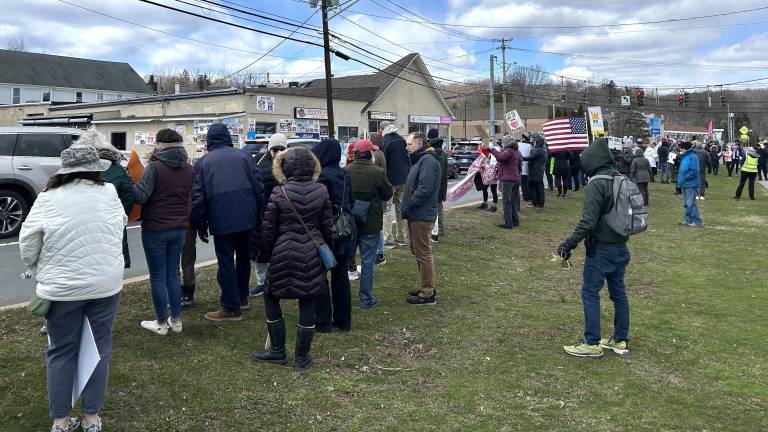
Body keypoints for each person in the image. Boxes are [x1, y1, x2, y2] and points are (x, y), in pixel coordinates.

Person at [19, 143, 126, 432]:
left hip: (61, 287)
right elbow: (121, 224)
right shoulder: (109, 192)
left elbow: (28, 241)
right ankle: (92, 419)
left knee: (61, 350)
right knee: (99, 348)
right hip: (105, 283)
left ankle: (61, 422)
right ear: (95, 169)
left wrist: (35, 266)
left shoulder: (48, 197)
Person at [251, 147, 334, 370]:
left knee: (271, 296)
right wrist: (328, 253)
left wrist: (264, 255)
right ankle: (301, 356)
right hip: (312, 252)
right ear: (312, 166)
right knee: (308, 300)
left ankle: (277, 350)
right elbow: (328, 228)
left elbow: (268, 230)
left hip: (282, 252)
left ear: (283, 167)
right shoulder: (322, 191)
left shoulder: (279, 193)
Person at [557, 138, 631, 359]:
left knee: (590, 293)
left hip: (600, 249)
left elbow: (588, 222)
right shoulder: (620, 178)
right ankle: (620, 339)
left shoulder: (596, 183)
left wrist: (568, 243)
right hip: (621, 246)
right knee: (618, 293)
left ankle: (591, 343)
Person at [192, 123, 265, 321]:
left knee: (225, 262)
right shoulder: (245, 157)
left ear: (209, 141)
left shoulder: (203, 163)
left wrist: (200, 224)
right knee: (243, 259)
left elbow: (198, 198)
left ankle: (231, 307)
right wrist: (259, 213)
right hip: (247, 216)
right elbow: (258, 186)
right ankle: (242, 298)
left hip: (221, 217)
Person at [133, 129, 195, 335]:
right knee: (172, 275)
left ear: (159, 145)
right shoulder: (189, 168)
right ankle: (176, 321)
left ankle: (161, 322)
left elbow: (141, 196)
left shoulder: (154, 167)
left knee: (158, 276)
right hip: (179, 228)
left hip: (155, 228)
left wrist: (129, 182)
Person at [312, 138, 355, 332]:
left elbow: (318, 206)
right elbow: (351, 201)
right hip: (346, 228)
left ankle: (323, 321)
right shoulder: (345, 174)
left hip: (327, 230)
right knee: (341, 276)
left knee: (320, 276)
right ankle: (343, 320)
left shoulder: (321, 176)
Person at [346, 139, 393, 309]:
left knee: (346, 260)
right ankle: (365, 299)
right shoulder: (377, 172)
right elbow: (387, 195)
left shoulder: (347, 171)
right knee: (367, 262)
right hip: (371, 224)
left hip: (350, 223)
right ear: (369, 154)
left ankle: (342, 298)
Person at [401, 132, 441, 306]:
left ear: (418, 143)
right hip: (416, 213)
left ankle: (428, 292)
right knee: (417, 250)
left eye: (409, 144)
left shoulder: (428, 161)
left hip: (421, 214)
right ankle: (426, 285)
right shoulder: (421, 159)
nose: (406, 147)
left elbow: (424, 189)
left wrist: (410, 202)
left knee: (423, 253)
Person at [90, 128, 136, 268]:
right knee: (113, 259)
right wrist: (121, 214)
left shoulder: (85, 168)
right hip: (113, 221)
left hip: (89, 222)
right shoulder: (117, 169)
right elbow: (129, 196)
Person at [250, 133, 287, 298]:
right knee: (261, 251)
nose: (278, 152)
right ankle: (261, 283)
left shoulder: (289, 163)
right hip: (261, 213)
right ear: (270, 148)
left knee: (280, 249)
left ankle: (279, 280)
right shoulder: (257, 161)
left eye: (282, 149)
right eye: (275, 149)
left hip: (282, 213)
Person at [381, 121, 409, 248]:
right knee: (401, 209)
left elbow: (384, 162)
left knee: (387, 210)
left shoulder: (385, 142)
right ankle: (402, 237)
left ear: (382, 129)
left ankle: (388, 239)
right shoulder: (402, 140)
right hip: (403, 179)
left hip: (390, 181)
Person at [488, 136, 521, 229]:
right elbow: (499, 154)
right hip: (513, 177)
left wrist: (492, 148)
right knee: (511, 200)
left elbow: (500, 157)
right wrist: (491, 150)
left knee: (506, 201)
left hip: (508, 178)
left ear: (507, 143)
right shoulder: (512, 150)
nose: (502, 143)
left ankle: (508, 223)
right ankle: (515, 221)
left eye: (503, 142)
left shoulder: (509, 151)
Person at [370, 133, 388, 264]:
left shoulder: (375, 155)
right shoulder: (380, 153)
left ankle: (379, 252)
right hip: (380, 194)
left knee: (377, 225)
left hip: (376, 195)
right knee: (378, 224)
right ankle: (379, 251)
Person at [427, 129, 448, 241]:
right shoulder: (443, 154)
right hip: (442, 184)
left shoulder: (431, 153)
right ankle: (441, 227)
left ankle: (435, 230)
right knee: (439, 207)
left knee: (432, 208)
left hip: (433, 184)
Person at [677, 141, 703, 227]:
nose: (680, 149)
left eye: (682, 148)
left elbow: (694, 171)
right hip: (685, 184)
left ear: (686, 148)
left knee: (691, 203)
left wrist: (685, 177)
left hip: (691, 184)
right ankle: (688, 220)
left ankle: (697, 222)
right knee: (686, 204)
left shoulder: (692, 157)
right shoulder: (686, 156)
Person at [524, 138, 547, 209]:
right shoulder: (542, 150)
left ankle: (538, 203)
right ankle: (537, 203)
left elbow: (531, 157)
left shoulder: (538, 150)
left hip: (535, 171)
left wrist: (522, 157)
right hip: (537, 171)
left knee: (535, 187)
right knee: (536, 187)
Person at [475, 146, 499, 211]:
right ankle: (485, 203)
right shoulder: (487, 157)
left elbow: (492, 166)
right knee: (485, 189)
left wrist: (484, 166)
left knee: (493, 190)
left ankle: (494, 206)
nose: (483, 154)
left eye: (483, 153)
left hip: (492, 176)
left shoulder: (492, 157)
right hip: (488, 176)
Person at [519, 133, 533, 202]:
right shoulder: (531, 145)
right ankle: (528, 196)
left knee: (523, 183)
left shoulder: (521, 145)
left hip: (523, 165)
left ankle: (526, 196)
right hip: (528, 166)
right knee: (527, 183)